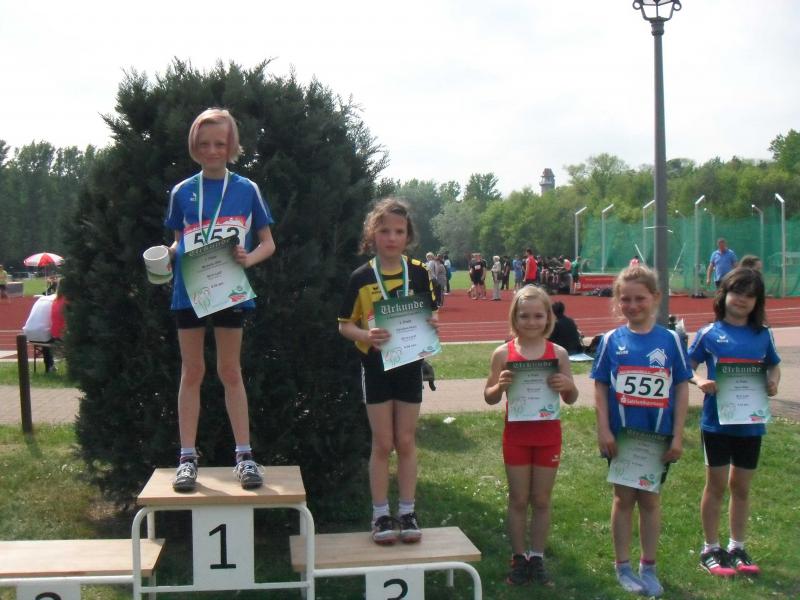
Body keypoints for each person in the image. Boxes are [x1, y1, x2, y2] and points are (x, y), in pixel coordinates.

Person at [165, 108, 276, 492]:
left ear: (231, 146)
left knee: (230, 371)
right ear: (194, 146)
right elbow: (179, 241)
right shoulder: (181, 191)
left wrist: (249, 258)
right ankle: (186, 458)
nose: (212, 150)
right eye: (204, 144)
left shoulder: (247, 189)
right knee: (192, 371)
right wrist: (167, 255)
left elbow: (268, 243)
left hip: (229, 288)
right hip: (189, 290)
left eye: (220, 143)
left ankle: (244, 456)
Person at [338, 197, 438, 545]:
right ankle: (380, 514)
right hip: (375, 366)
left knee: (406, 440)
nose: (392, 238)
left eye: (399, 231)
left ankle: (407, 511)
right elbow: (344, 325)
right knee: (382, 443)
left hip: (409, 365)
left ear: (408, 236)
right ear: (372, 234)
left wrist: (431, 324)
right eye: (384, 231)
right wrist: (366, 335)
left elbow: (429, 315)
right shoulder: (361, 277)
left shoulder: (419, 272)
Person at [591, 265, 691, 597]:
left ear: (655, 298)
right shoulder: (610, 341)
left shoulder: (671, 340)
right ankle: (622, 566)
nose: (632, 305)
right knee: (623, 499)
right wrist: (603, 429)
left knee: (650, 500)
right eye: (626, 299)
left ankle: (649, 566)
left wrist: (678, 435)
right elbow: (601, 385)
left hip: (657, 438)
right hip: (623, 438)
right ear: (617, 301)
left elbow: (681, 387)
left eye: (640, 299)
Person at [688, 268, 780, 578]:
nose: (742, 299)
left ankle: (737, 547)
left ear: (757, 302)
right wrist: (700, 381)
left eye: (750, 295)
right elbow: (687, 365)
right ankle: (710, 548)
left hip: (751, 424)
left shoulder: (763, 334)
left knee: (741, 487)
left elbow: (774, 366)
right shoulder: (709, 333)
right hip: (716, 424)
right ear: (724, 294)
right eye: (737, 292)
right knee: (715, 485)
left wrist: (773, 382)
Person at [484, 285, 578, 587]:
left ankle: (536, 557)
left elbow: (572, 397)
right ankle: (518, 557)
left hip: (548, 436)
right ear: (514, 317)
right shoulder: (503, 353)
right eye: (524, 316)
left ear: (548, 317)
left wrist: (566, 385)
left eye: (538, 316)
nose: (531, 322)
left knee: (541, 499)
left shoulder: (558, 354)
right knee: (518, 498)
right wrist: (499, 386)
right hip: (516, 436)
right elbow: (489, 397)